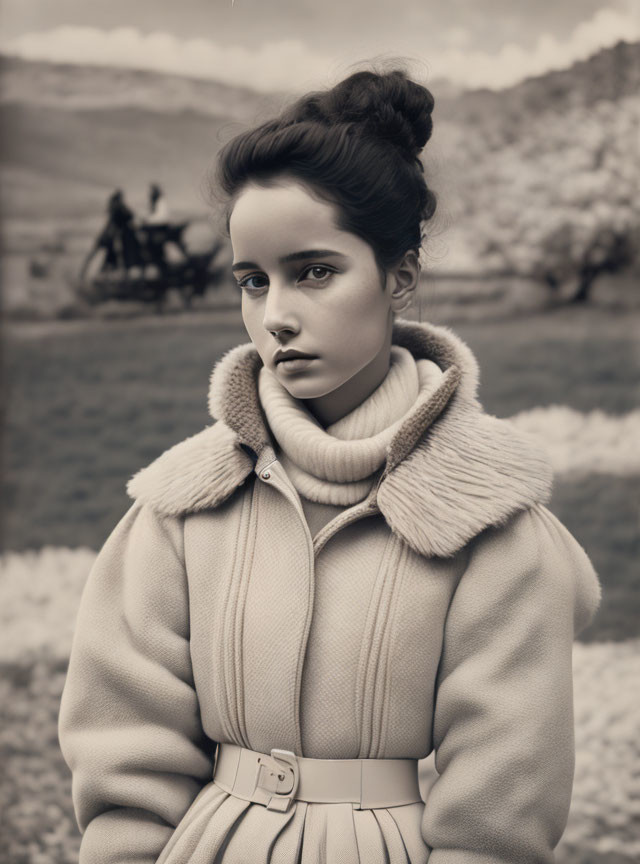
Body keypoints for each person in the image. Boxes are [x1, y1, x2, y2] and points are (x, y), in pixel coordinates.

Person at [58, 65, 602, 864]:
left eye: (314, 271)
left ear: (399, 278)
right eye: (253, 280)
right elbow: (124, 753)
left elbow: (502, 806)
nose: (275, 315)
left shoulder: (491, 523)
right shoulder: (181, 504)